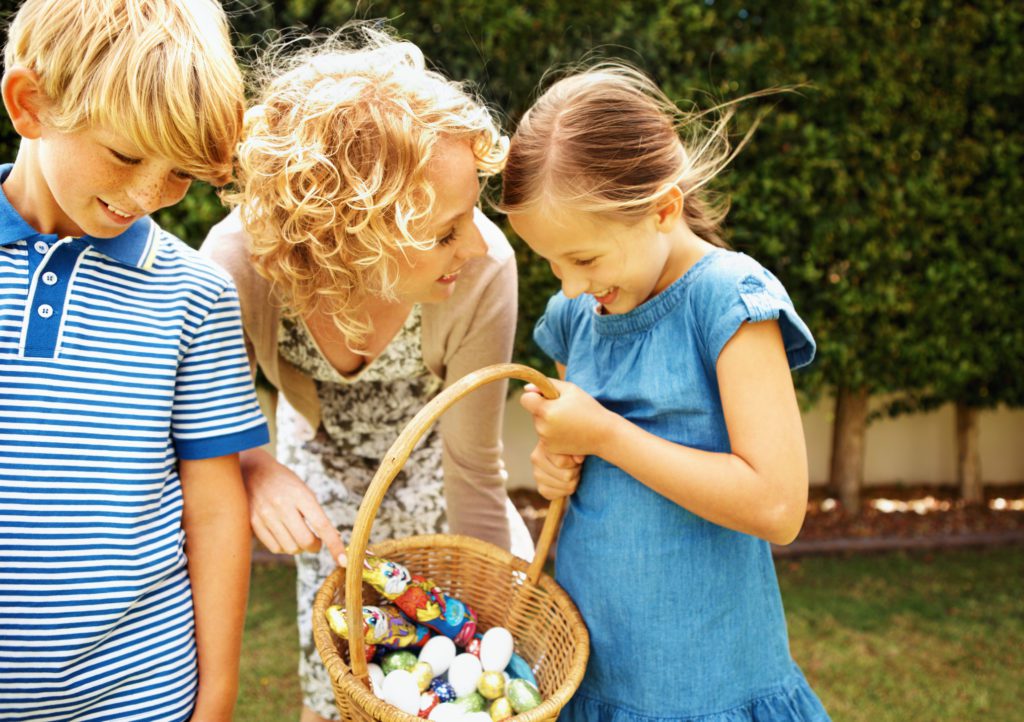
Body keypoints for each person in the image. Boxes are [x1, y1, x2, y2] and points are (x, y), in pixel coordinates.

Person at [201, 25, 533, 722]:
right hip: (317, 466)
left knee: (437, 684)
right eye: (445, 231)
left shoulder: (482, 274)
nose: (473, 246)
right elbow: (213, 427)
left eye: (471, 213)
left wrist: (496, 625)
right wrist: (258, 467)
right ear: (356, 234)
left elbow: (474, 464)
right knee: (339, 686)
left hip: (438, 466)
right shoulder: (237, 266)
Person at [501, 63, 831, 721]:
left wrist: (605, 436)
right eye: (550, 262)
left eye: (585, 259)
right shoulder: (578, 317)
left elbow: (778, 505)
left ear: (664, 208)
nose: (567, 285)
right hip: (595, 679)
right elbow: (580, 460)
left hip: (705, 688)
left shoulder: (727, 302)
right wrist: (556, 463)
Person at [0, 1, 268, 720]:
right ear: (31, 105)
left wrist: (214, 701)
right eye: (125, 154)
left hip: (140, 695)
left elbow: (214, 511)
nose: (149, 195)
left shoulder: (198, 297)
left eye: (180, 174)